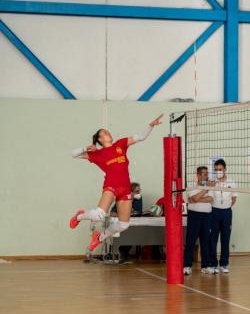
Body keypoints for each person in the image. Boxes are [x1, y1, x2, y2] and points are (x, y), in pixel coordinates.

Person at [69, 114, 163, 251]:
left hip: (125, 189)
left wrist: (151, 125)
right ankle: (79, 216)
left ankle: (99, 238)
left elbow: (141, 137)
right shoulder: (97, 154)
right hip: (111, 186)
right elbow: (73, 154)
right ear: (100, 140)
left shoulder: (120, 144)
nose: (108, 133)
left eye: (107, 131)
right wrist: (86, 148)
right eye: (105, 133)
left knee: (123, 225)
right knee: (98, 215)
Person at [183, 166, 214, 275]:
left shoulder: (211, 187)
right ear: (199, 175)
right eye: (204, 173)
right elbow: (194, 199)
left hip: (207, 216)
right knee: (190, 241)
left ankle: (205, 266)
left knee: (206, 241)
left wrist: (198, 198)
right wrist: (204, 190)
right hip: (194, 216)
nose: (206, 175)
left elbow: (210, 199)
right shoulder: (191, 186)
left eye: (207, 173)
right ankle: (187, 266)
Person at [210, 159, 237, 274]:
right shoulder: (212, 182)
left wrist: (226, 206)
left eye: (220, 169)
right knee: (213, 239)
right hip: (214, 212)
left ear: (225, 170)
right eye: (216, 170)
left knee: (225, 239)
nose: (218, 172)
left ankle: (224, 264)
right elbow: (210, 198)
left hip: (226, 212)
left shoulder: (232, 182)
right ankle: (213, 264)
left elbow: (234, 198)